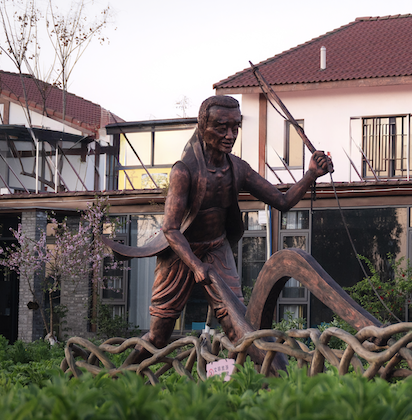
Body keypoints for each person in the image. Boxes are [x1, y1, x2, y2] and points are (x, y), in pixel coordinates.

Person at [139, 95, 332, 352]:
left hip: (217, 250)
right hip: (180, 253)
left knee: (238, 327)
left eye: (235, 127)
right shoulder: (184, 171)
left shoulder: (238, 169)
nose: (230, 135)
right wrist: (196, 265)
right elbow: (171, 229)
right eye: (221, 127)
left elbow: (282, 201)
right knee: (158, 337)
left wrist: (310, 175)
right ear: (202, 126)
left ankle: (256, 381)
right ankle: (117, 379)